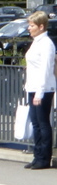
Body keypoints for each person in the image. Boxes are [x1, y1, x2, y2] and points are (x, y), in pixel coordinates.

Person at [23, 10, 56, 169]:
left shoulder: (46, 44)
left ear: (41, 26)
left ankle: (44, 158)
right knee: (35, 123)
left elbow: (45, 69)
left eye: (32, 25)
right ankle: (37, 155)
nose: (29, 28)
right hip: (33, 87)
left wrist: (40, 92)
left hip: (43, 88)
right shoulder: (36, 42)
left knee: (43, 123)